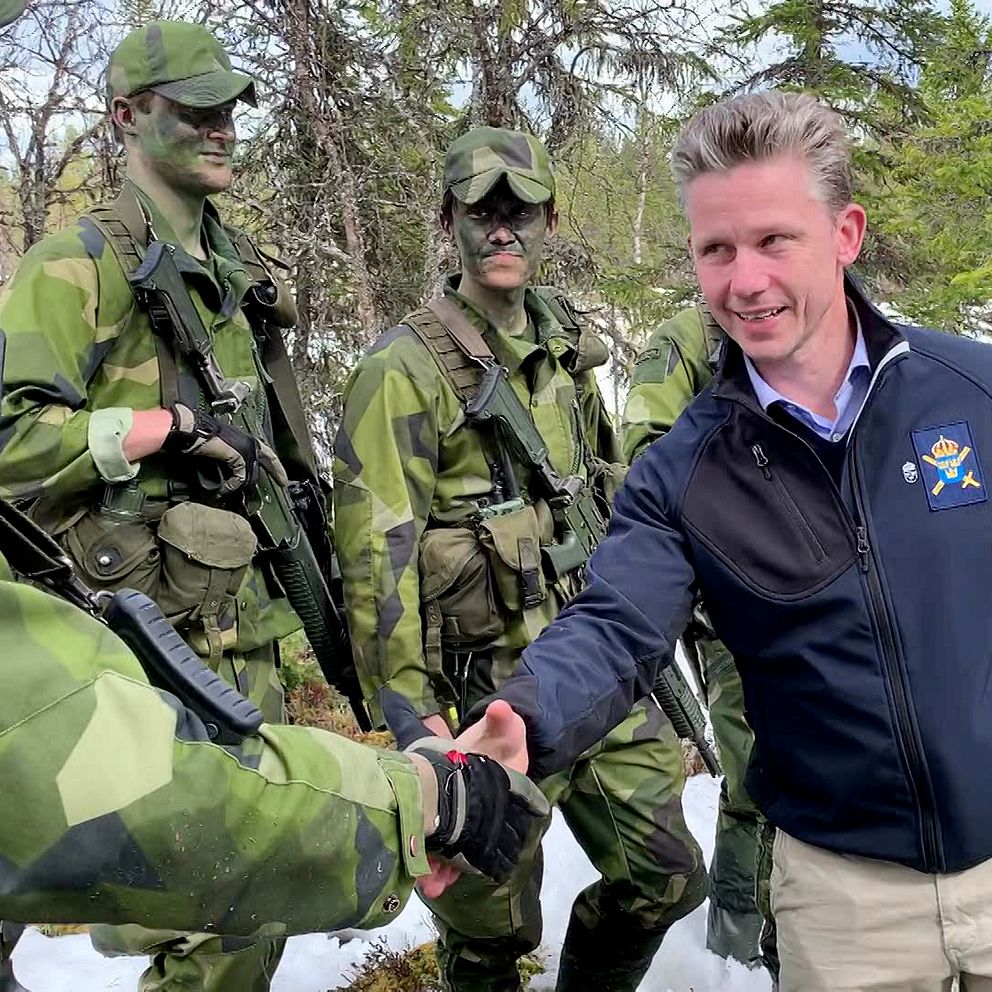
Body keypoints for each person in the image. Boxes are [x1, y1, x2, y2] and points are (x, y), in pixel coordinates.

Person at [459, 89, 992, 992]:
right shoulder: (685, 470)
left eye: (774, 240)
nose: (745, 281)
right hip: (845, 907)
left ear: (846, 234)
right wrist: (521, 725)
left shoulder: (972, 391)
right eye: (717, 249)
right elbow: (616, 627)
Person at [333, 126, 706, 991]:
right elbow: (376, 557)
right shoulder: (402, 369)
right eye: (481, 212)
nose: (503, 230)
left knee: (667, 878)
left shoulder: (565, 349)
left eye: (523, 212)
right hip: (478, 696)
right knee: (492, 933)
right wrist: (413, 721)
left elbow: (608, 492)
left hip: (589, 668)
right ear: (449, 221)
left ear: (550, 223)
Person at [0, 19, 315, 991]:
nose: (222, 128)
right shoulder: (78, 261)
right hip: (121, 645)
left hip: (239, 637)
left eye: (230, 111)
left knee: (251, 906)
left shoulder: (239, 271)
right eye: (197, 109)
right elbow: (10, 439)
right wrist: (154, 428)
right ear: (127, 116)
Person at [0, 500, 547, 947]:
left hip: (227, 622)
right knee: (203, 933)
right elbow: (109, 782)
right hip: (157, 615)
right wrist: (425, 798)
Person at [621, 309, 772, 973]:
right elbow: (647, 460)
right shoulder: (690, 341)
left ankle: (805, 936)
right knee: (755, 772)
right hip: (734, 603)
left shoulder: (822, 332)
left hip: (823, 600)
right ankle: (739, 952)